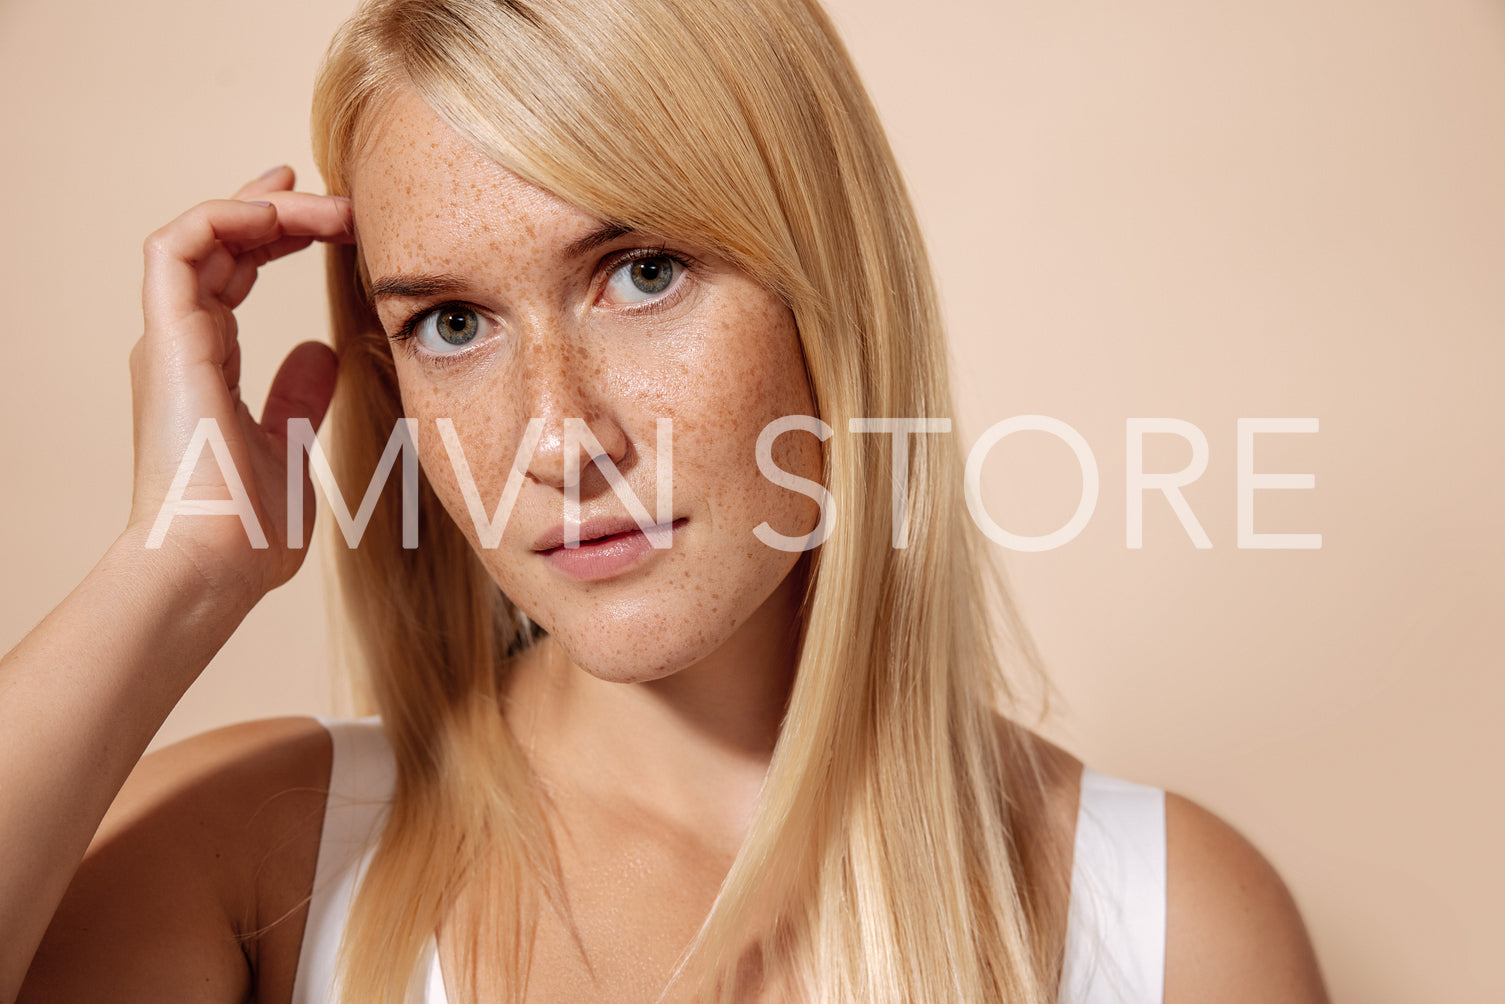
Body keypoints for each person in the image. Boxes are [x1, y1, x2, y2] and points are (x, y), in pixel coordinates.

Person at [2, 0, 1330, 1001]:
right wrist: (169, 572)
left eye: (639, 273)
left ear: (831, 287)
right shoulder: (258, 862)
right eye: (452, 321)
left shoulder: (1169, 928)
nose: (559, 437)